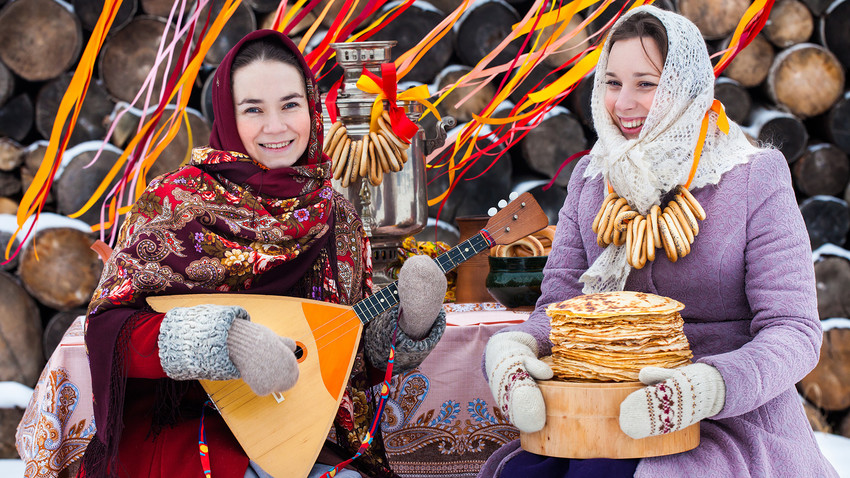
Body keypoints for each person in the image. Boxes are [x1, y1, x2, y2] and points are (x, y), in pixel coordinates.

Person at [478, 6, 838, 477]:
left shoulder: (752, 177)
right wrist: (518, 345)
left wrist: (709, 386)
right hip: (601, 404)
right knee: (521, 473)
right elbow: (563, 306)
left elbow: (795, 330)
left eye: (645, 84)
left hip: (727, 417)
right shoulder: (593, 177)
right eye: (611, 82)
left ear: (683, 87)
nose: (623, 103)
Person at [81, 29, 447, 478]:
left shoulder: (338, 217)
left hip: (298, 434)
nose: (276, 127)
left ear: (312, 109)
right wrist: (224, 341)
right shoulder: (175, 201)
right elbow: (109, 329)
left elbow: (339, 358)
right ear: (228, 116)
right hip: (189, 434)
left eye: (290, 105)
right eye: (253, 109)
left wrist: (409, 326)